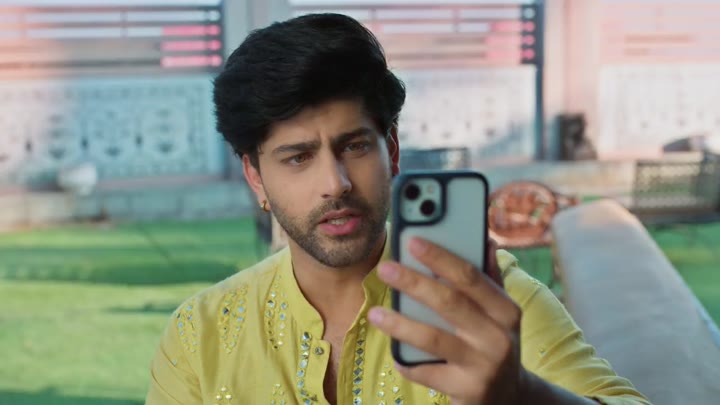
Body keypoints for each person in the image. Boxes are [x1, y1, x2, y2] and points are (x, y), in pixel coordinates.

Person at [146, 13, 649, 405]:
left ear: (391, 150)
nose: (335, 184)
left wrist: (520, 394)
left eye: (354, 146)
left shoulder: (489, 300)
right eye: (298, 157)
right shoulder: (200, 336)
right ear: (255, 175)